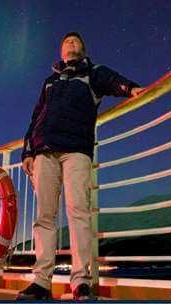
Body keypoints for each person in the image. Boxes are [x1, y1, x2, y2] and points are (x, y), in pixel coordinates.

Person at [16, 32, 144, 301]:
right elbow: (35, 116)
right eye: (66, 42)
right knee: (44, 217)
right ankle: (41, 282)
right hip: (44, 152)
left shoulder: (92, 73)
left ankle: (81, 282)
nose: (71, 43)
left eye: (75, 41)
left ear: (82, 50)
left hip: (76, 150)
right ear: (61, 52)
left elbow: (113, 81)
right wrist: (27, 151)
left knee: (78, 213)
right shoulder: (50, 82)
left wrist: (131, 88)